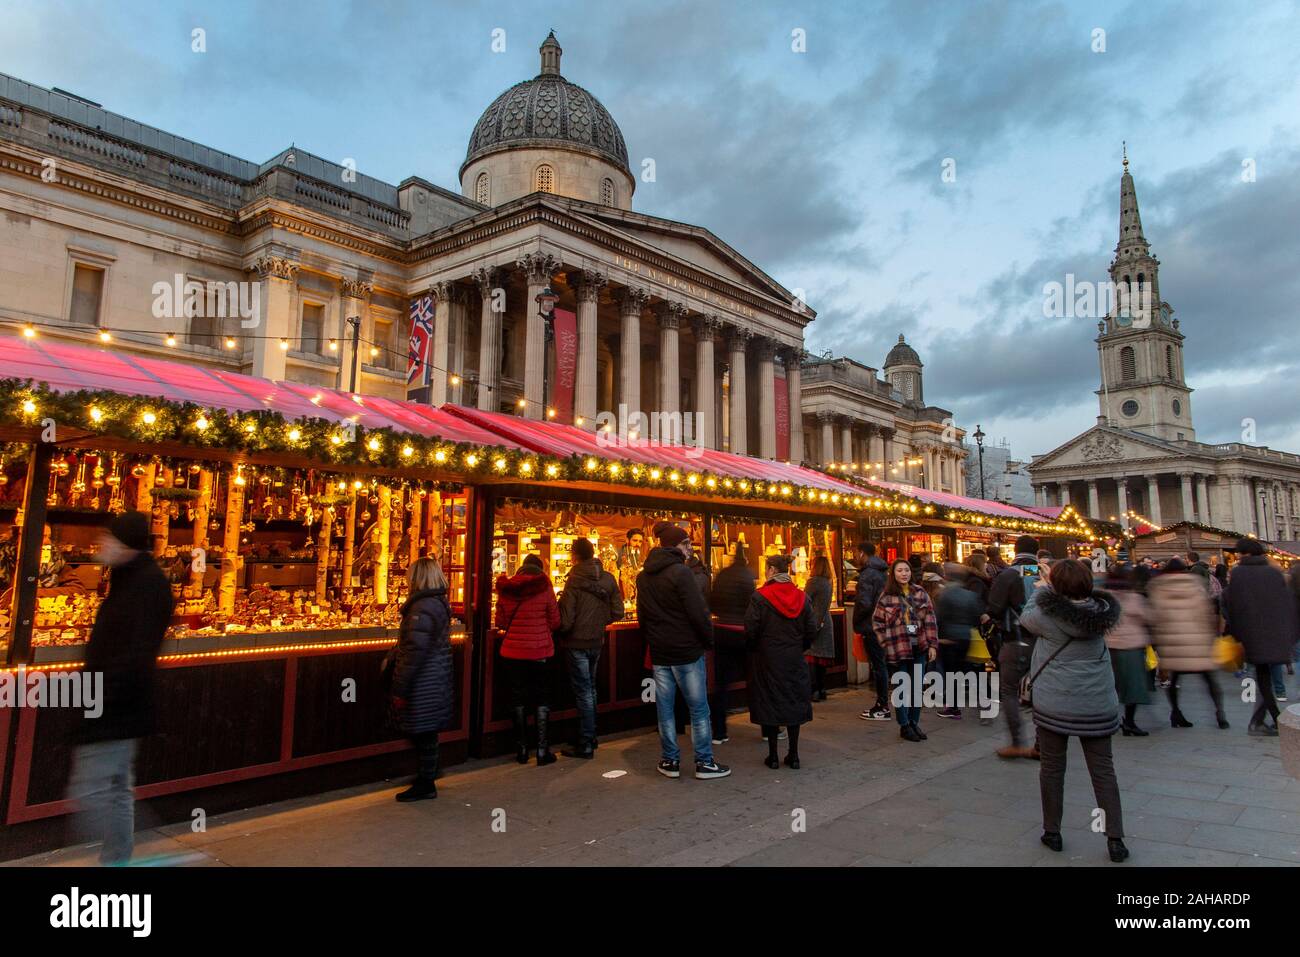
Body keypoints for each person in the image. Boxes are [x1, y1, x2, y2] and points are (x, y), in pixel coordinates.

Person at [68, 512, 173, 865]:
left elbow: (135, 654)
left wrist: (101, 698)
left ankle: (150, 859)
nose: (101, 545)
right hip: (116, 705)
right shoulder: (129, 578)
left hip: (114, 708)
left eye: (107, 539)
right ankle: (120, 860)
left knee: (92, 790)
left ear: (124, 543)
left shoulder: (146, 585)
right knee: (114, 791)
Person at [1020, 558, 1128, 863]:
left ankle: (1052, 831)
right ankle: (1115, 839)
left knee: (1052, 769)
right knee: (1104, 772)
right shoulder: (1101, 613)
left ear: (1057, 586)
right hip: (1097, 703)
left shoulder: (1047, 616)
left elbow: (1027, 616)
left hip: (1056, 702)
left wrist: (1041, 587)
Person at [636, 523, 729, 779]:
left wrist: (654, 639)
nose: (690, 548)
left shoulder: (644, 576)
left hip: (660, 650)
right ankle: (704, 761)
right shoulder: (681, 573)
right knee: (698, 707)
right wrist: (707, 639)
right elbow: (698, 612)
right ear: (674, 546)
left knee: (665, 708)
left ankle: (670, 760)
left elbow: (643, 617)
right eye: (686, 543)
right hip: (686, 649)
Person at [389, 557, 454, 801]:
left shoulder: (422, 607)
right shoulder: (437, 602)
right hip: (434, 676)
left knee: (422, 730)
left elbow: (415, 650)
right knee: (425, 731)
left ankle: (426, 781)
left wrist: (401, 686)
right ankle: (428, 772)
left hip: (423, 680)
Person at [746, 554, 818, 768]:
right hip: (794, 657)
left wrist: (757, 648)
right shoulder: (802, 597)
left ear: (770, 570)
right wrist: (799, 646)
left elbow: (751, 629)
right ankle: (794, 755)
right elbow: (811, 630)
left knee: (770, 703)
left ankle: (773, 756)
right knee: (793, 702)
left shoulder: (759, 597)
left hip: (767, 658)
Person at [1223, 538, 1299, 736]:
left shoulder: (1239, 573)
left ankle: (1267, 721)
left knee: (1263, 678)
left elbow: (1235, 606)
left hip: (1253, 633)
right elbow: (1287, 602)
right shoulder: (1274, 572)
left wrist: (1236, 634)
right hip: (1276, 632)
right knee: (1266, 677)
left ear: (1244, 553)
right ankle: (1268, 720)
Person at [557, 536, 623, 759]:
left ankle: (585, 742)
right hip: (597, 641)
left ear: (574, 556)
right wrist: (599, 622)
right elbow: (618, 613)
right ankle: (591, 735)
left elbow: (566, 620)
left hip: (576, 642)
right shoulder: (609, 578)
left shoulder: (573, 580)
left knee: (584, 692)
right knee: (591, 688)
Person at [496, 553, 561, 765]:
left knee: (517, 697)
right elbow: (555, 620)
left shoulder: (507, 588)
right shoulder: (545, 587)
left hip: (512, 652)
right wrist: (541, 630)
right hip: (539, 650)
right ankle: (542, 750)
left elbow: (501, 622)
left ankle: (522, 750)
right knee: (542, 697)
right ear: (540, 569)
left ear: (522, 568)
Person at [1147, 557, 1227, 730]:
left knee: (1173, 680)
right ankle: (1220, 713)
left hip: (1172, 642)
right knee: (1209, 680)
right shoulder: (1195, 584)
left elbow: (1156, 617)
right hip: (1196, 640)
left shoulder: (1158, 587)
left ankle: (1176, 712)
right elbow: (1205, 612)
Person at [986, 535, 1043, 759]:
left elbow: (995, 607)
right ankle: (1041, 742)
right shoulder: (1040, 571)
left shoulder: (1009, 574)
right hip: (1045, 640)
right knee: (1040, 690)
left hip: (1017, 638)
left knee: (1009, 690)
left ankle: (1018, 742)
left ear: (1015, 549)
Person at [872, 558, 939, 742]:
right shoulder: (886, 596)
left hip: (919, 646)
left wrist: (933, 644)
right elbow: (877, 622)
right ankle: (904, 725)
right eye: (900, 570)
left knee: (917, 687)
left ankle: (914, 722)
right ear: (893, 574)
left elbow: (930, 619)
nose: (904, 574)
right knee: (901, 688)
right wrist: (886, 643)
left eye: (906, 570)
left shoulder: (920, 593)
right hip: (898, 648)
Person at [708, 544, 757, 744]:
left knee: (721, 684)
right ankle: (767, 727)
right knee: (754, 681)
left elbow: (711, 602)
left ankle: (719, 731)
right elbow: (752, 606)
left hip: (721, 630)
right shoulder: (747, 577)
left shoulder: (722, 575)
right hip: (742, 632)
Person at [1103, 564, 1152, 736]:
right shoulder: (1134, 598)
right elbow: (1148, 618)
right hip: (1131, 647)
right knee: (1133, 687)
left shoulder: (1103, 598)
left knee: (1109, 687)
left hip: (1108, 646)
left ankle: (1107, 720)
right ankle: (1129, 722)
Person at [935, 562, 982, 719]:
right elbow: (976, 617)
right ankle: (984, 700)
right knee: (966, 670)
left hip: (948, 639)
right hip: (966, 637)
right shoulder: (970, 595)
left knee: (950, 674)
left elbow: (939, 617)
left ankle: (953, 708)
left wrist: (939, 637)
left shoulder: (945, 594)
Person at [853, 542, 891, 721]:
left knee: (878, 666)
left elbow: (864, 603)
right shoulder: (883, 572)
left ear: (862, 553)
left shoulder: (868, 574)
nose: (854, 556)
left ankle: (882, 706)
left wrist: (858, 621)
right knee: (882, 664)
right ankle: (884, 703)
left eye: (856, 553)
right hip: (884, 623)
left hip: (872, 625)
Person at [803, 555, 836, 702]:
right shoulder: (828, 582)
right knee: (821, 659)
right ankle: (822, 689)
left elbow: (804, 599)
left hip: (814, 622)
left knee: (812, 658)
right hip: (826, 621)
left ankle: (814, 690)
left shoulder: (813, 582)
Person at [616, 528, 645, 600]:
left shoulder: (639, 554)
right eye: (635, 540)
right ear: (627, 540)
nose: (637, 544)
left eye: (640, 541)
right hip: (622, 591)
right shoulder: (618, 554)